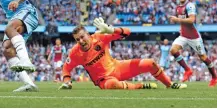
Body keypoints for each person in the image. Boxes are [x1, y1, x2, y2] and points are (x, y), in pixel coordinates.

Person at [59, 18, 187, 90]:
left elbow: (127, 32)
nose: (81, 41)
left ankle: (170, 85)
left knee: (150, 63)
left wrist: (111, 29)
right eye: (77, 39)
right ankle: (141, 86)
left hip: (118, 67)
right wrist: (67, 81)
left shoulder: (99, 37)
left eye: (82, 37)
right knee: (112, 85)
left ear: (88, 34)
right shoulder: (75, 52)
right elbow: (66, 68)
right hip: (105, 80)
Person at [169, 0, 217, 87]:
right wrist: (181, 28)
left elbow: (191, 20)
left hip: (194, 37)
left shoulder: (190, 5)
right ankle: (187, 70)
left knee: (203, 57)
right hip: (183, 36)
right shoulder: (178, 7)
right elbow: (183, 21)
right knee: (173, 50)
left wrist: (177, 20)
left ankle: (214, 77)